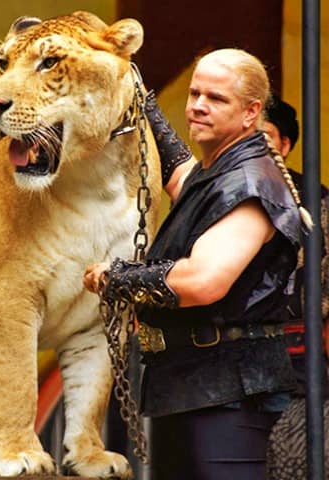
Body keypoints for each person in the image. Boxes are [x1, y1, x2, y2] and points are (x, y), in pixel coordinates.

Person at [83, 48, 311, 479]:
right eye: (195, 94)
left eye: (216, 99)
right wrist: (143, 103)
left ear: (250, 113)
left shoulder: (253, 182)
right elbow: (183, 180)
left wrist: (117, 277)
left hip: (228, 395)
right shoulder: (224, 168)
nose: (199, 106)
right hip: (194, 388)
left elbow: (204, 281)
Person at [261, 94, 329, 479]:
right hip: (226, 363)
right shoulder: (217, 193)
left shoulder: (317, 203)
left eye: (264, 136)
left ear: (285, 145)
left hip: (298, 361)